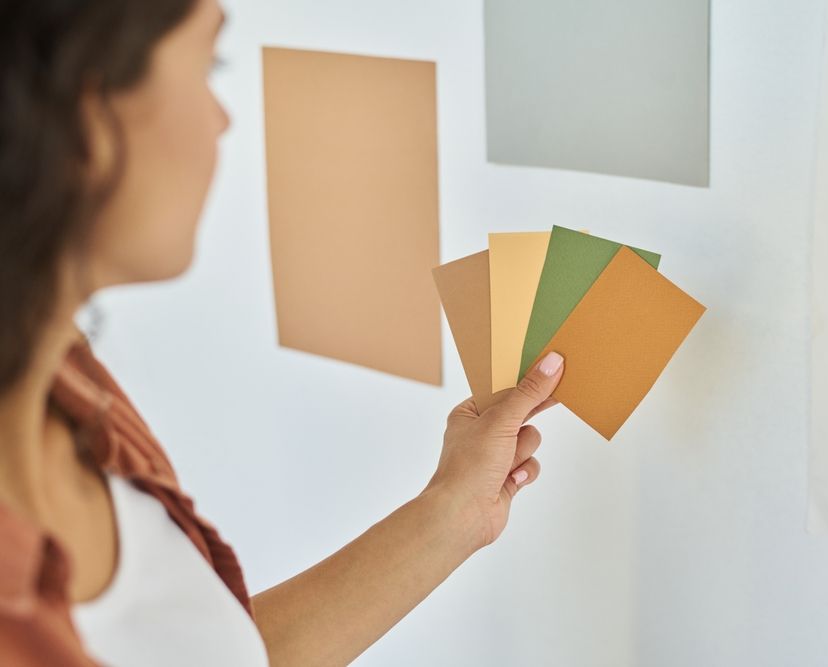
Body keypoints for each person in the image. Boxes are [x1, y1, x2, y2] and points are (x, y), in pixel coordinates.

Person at [0, 0, 565, 664]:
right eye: (211, 64)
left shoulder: (75, 391)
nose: (224, 117)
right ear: (88, 115)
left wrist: (455, 508)